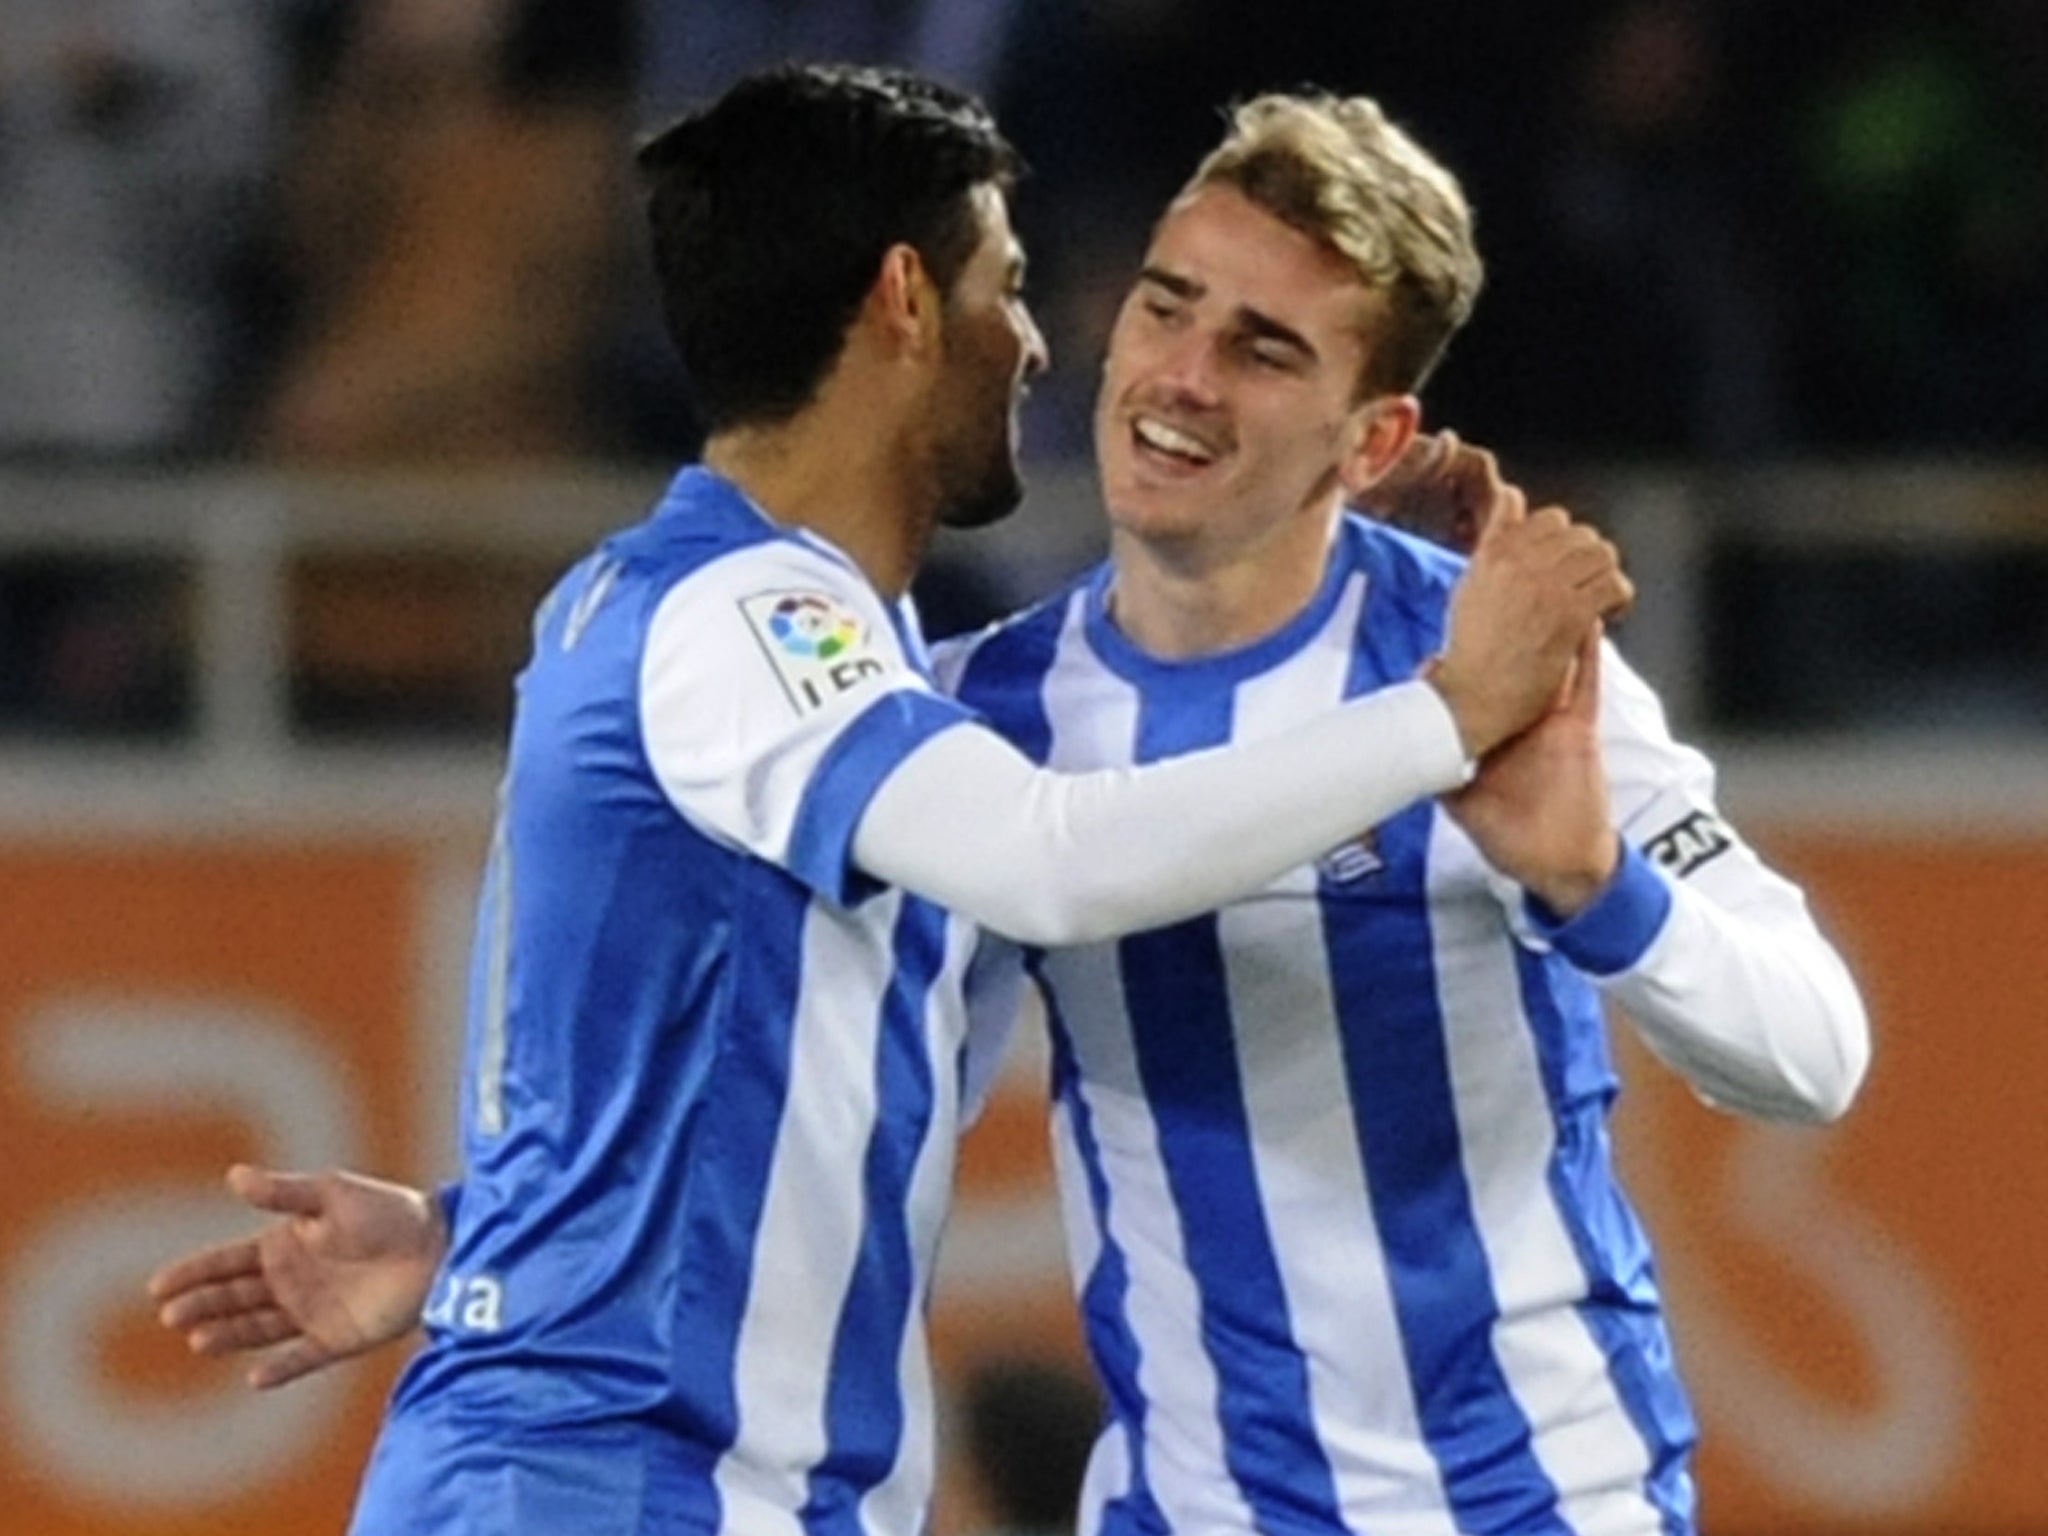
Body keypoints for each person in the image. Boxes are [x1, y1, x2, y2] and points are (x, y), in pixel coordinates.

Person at [148, 64, 1633, 1536]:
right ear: (909, 304)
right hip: (605, 1484)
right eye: (1010, 286)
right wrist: (1447, 713)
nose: (1041, 347)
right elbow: (1059, 864)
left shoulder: (802, 655)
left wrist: (476, 1234)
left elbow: (721, 1065)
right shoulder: (743, 622)